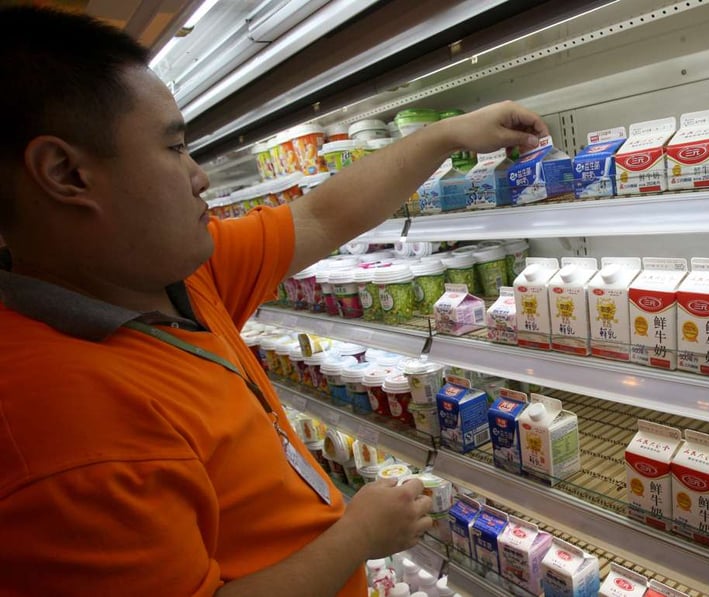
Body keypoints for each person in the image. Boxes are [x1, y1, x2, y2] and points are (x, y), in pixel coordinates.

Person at [0, 6, 548, 597]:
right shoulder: (61, 429)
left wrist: (446, 133)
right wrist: (357, 536)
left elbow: (319, 214)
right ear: (66, 174)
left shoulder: (169, 275)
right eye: (175, 147)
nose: (199, 177)